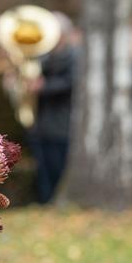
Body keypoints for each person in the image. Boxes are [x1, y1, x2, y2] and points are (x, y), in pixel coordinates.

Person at [29, 12, 76, 204]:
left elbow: (71, 83)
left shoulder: (74, 56)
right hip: (42, 123)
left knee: (59, 164)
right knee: (43, 165)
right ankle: (45, 200)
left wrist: (44, 86)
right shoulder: (43, 57)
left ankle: (56, 199)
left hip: (62, 123)